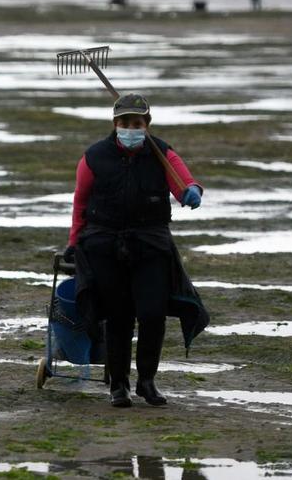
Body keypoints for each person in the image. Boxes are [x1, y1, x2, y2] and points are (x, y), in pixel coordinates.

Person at [63, 93, 209, 408]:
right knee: (118, 317)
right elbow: (80, 202)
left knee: (153, 314)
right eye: (125, 123)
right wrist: (74, 243)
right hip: (105, 245)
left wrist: (192, 192)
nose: (131, 128)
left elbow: (184, 183)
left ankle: (147, 381)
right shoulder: (94, 157)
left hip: (151, 245)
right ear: (116, 125)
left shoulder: (162, 153)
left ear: (147, 125)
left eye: (138, 123)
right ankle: (119, 386)